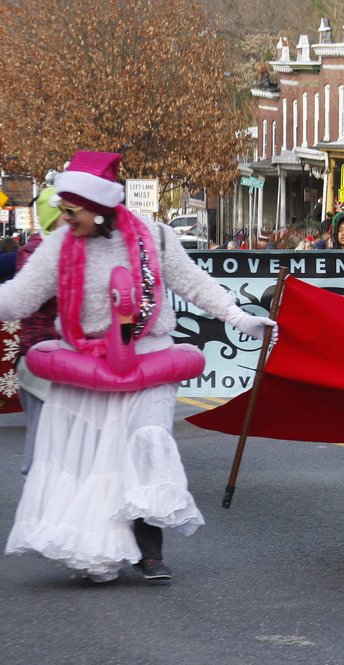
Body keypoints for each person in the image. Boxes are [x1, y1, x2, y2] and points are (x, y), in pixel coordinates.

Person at [0, 151, 276, 583]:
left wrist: (240, 318)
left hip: (149, 357)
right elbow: (17, 299)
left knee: (148, 438)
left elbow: (195, 284)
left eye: (71, 209)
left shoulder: (156, 237)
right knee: (96, 462)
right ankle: (98, 547)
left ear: (98, 206)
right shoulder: (58, 245)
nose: (64, 216)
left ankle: (149, 553)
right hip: (88, 366)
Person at [13, 186, 65, 476]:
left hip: (75, 362)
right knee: (42, 442)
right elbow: (27, 298)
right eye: (66, 213)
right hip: (39, 361)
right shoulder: (32, 253)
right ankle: (37, 501)